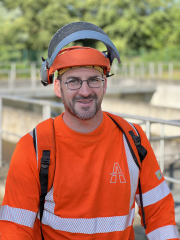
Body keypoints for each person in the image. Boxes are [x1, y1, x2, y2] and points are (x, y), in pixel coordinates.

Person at [0, 22, 179, 240]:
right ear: (57, 87)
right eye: (73, 81)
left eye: (94, 79)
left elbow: (159, 212)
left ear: (104, 85)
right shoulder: (34, 148)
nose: (85, 91)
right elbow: (15, 229)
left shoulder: (133, 139)